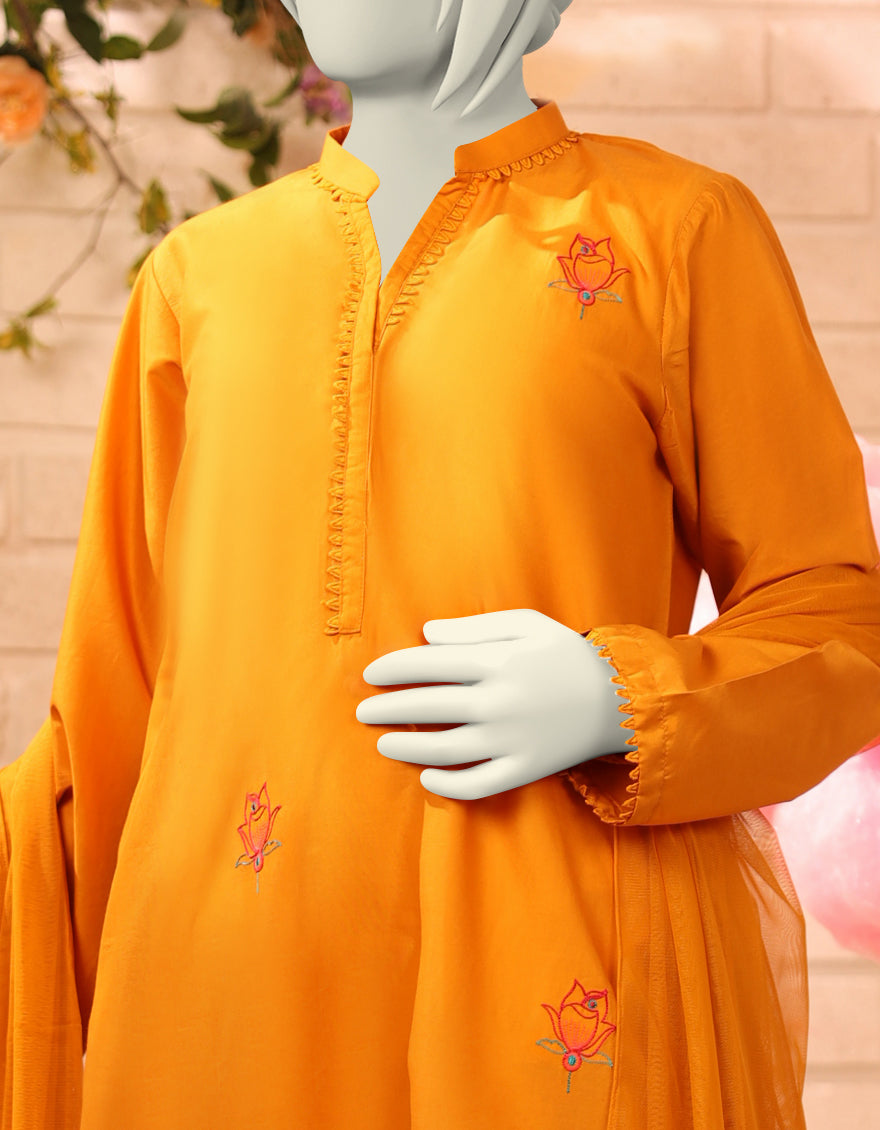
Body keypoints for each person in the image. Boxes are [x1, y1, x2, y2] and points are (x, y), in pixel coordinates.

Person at [3, 0, 880, 1126]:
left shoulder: (673, 229)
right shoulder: (198, 276)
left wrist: (622, 700)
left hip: (549, 974)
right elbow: (111, 694)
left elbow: (834, 616)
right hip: (222, 984)